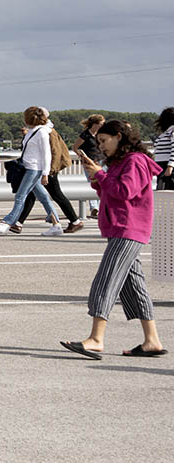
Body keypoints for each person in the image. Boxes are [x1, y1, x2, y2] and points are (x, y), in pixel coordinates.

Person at [61, 120, 166, 359]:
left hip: (128, 229)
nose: (101, 146)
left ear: (119, 137)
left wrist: (100, 174)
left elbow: (124, 192)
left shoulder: (135, 161)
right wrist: (97, 179)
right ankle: (152, 340)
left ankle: (96, 339)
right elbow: (111, 192)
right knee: (133, 285)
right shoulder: (123, 162)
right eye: (98, 142)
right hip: (122, 229)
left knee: (106, 280)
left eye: (104, 141)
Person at [0, 107, 64, 237]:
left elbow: (46, 154)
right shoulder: (33, 131)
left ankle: (7, 222)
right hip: (30, 167)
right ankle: (56, 224)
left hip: (34, 169)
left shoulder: (41, 132)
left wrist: (45, 173)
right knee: (43, 197)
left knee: (21, 196)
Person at [16, 107, 84, 233]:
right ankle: (18, 222)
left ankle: (75, 221)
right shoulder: (44, 130)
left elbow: (53, 152)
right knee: (34, 194)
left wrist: (49, 171)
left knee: (55, 195)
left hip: (46, 169)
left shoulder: (46, 132)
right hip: (43, 168)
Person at [74, 114, 105, 218]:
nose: (102, 126)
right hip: (89, 163)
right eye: (101, 124)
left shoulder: (100, 135)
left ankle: (101, 208)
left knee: (102, 184)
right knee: (93, 183)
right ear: (94, 124)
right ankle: (94, 208)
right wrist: (82, 157)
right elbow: (75, 147)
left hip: (101, 161)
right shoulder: (85, 135)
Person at [152, 107, 174, 191]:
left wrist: (170, 166)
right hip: (161, 167)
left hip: (168, 167)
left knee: (168, 193)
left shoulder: (172, 131)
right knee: (162, 192)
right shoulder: (166, 133)